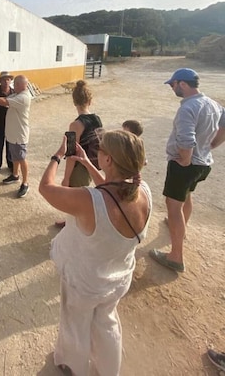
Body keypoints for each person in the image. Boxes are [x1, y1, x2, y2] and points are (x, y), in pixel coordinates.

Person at [39, 130, 151, 375]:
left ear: (108, 160)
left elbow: (46, 188)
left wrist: (58, 156)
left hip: (85, 281)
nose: (97, 152)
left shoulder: (88, 200)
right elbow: (112, 189)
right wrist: (87, 162)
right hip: (117, 278)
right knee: (107, 324)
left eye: (100, 151)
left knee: (76, 327)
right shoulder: (143, 192)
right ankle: (108, 370)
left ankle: (73, 367)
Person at [150, 68, 225, 273]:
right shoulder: (213, 104)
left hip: (186, 165)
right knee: (186, 196)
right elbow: (224, 124)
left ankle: (175, 257)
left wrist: (185, 159)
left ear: (183, 84)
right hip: (203, 164)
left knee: (173, 206)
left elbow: (186, 138)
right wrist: (211, 146)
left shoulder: (187, 108)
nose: (172, 88)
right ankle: (180, 230)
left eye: (173, 84)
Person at [56, 80, 103, 228]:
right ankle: (72, 221)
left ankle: (74, 225)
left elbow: (70, 154)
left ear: (74, 101)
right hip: (92, 163)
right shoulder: (97, 119)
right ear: (90, 101)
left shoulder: (75, 125)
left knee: (75, 196)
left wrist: (66, 178)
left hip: (79, 167)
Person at [0, 75, 31, 198]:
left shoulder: (23, 97)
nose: (12, 86)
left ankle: (25, 183)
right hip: (12, 132)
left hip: (19, 133)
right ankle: (15, 175)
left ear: (21, 85)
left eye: (15, 84)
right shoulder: (16, 94)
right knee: (15, 156)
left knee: (21, 158)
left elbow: (3, 101)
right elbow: (3, 99)